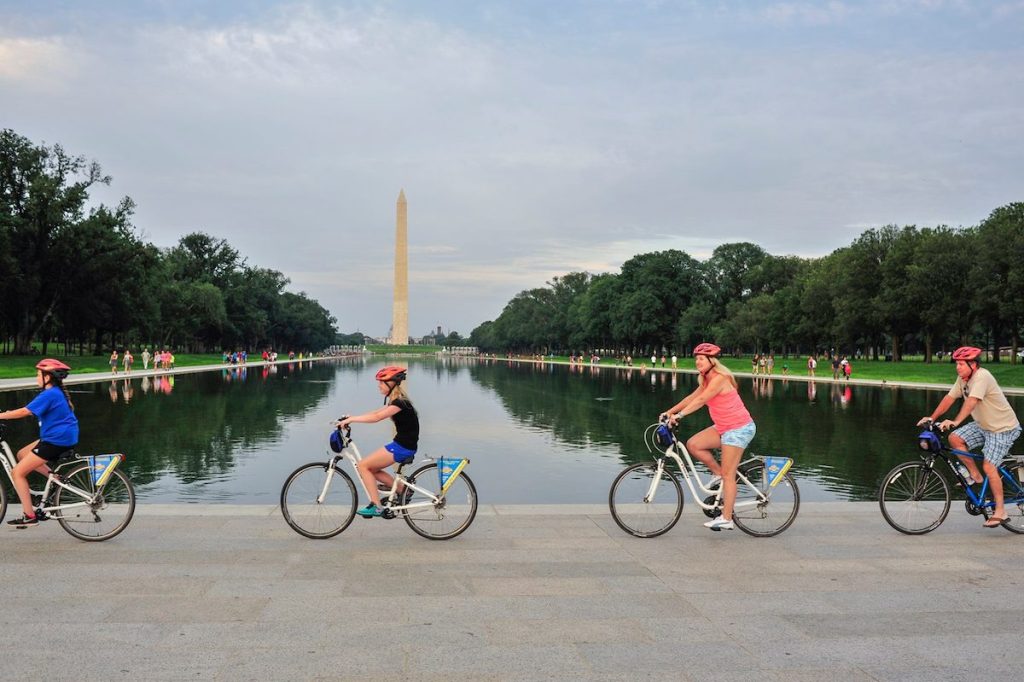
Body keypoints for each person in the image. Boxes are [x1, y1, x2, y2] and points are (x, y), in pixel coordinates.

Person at [918, 346, 1021, 528]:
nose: (957, 367)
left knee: (989, 466)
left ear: (973, 364)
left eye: (961, 364)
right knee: (955, 439)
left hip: (1003, 428)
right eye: (956, 363)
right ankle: (975, 476)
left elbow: (972, 402)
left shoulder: (982, 377)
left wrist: (956, 421)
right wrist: (932, 418)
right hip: (984, 425)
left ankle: (1000, 511)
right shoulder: (962, 379)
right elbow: (949, 399)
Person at [661, 343, 756, 532]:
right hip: (722, 427)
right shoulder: (705, 381)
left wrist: (679, 416)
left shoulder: (720, 379)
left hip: (738, 429)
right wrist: (669, 412)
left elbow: (702, 401)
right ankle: (717, 474)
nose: (698, 362)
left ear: (712, 362)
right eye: (696, 359)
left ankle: (727, 518)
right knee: (694, 444)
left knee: (730, 475)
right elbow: (692, 398)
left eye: (701, 359)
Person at [0, 359, 79, 527]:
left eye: (38, 374)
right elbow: (27, 410)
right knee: (22, 454)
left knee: (17, 473)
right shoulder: (55, 392)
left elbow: (25, 411)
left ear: (48, 377)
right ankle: (56, 479)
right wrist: (7, 413)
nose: (36, 377)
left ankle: (29, 516)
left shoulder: (50, 394)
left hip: (56, 440)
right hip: (60, 437)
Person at [337, 366, 419, 518]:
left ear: (391, 383)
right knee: (370, 468)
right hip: (401, 444)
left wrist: (353, 419)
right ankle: (403, 490)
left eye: (382, 382)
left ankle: (376, 506)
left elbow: (376, 418)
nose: (379, 385)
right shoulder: (396, 401)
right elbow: (375, 413)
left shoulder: (399, 403)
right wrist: (351, 418)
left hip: (402, 447)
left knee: (363, 466)